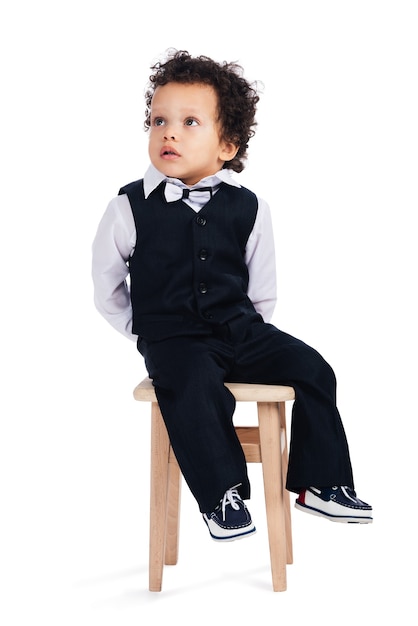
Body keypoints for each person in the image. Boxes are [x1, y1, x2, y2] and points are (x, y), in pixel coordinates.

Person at [92, 49, 372, 542]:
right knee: (194, 385)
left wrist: (251, 336)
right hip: (174, 338)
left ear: (226, 145)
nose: (168, 132)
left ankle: (320, 484)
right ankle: (222, 494)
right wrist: (148, 332)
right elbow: (107, 285)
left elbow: (262, 288)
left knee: (314, 369)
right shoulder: (129, 206)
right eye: (158, 121)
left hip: (241, 330)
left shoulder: (250, 206)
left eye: (189, 121)